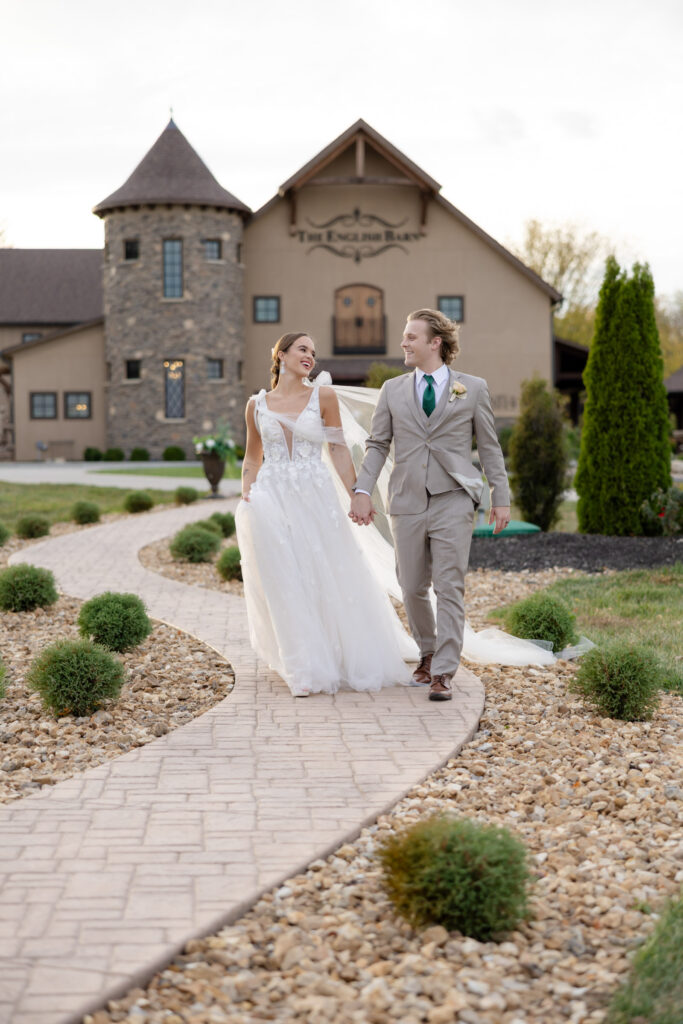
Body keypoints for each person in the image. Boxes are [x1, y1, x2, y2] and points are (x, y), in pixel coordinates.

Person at [235, 332, 417, 697]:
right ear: (281, 355)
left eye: (313, 353)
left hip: (314, 495)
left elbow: (337, 449)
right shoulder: (257, 405)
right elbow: (253, 456)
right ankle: (304, 667)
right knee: (285, 578)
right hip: (271, 496)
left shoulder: (324, 396)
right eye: (302, 349)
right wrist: (246, 489)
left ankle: (341, 654)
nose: (310, 357)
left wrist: (356, 495)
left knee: (325, 571)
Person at [350, 308, 511, 702]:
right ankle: (426, 651)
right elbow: (377, 445)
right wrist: (362, 489)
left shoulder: (472, 388)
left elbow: (489, 447)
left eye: (410, 337)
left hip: (454, 498)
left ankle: (443, 672)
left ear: (434, 342)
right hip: (405, 499)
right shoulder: (392, 390)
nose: (403, 343)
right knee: (411, 586)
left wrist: (500, 497)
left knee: (449, 585)